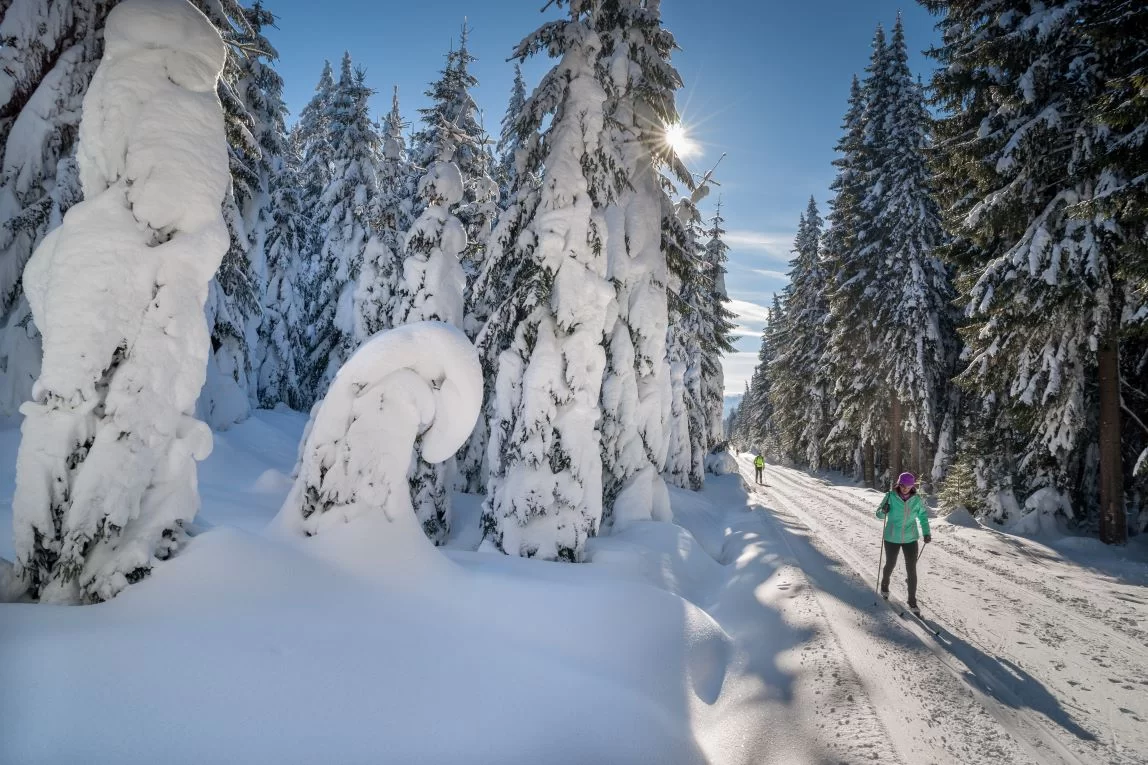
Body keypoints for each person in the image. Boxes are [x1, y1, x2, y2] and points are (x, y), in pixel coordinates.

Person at [875, 471, 931, 615]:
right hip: (892, 537)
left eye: (908, 486)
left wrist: (926, 532)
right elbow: (879, 515)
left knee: (911, 569)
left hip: (910, 538)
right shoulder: (890, 496)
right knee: (890, 564)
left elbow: (923, 517)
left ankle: (912, 601)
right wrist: (884, 510)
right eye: (902, 485)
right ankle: (885, 585)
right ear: (899, 484)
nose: (905, 488)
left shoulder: (916, 500)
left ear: (912, 486)